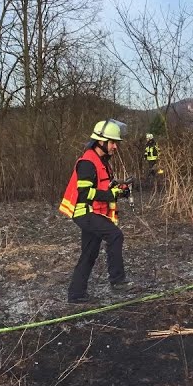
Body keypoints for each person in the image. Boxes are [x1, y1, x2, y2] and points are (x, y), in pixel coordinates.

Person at [60, 119, 132, 304]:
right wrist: (111, 194)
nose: (115, 146)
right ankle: (117, 281)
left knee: (89, 253)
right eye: (112, 142)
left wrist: (120, 190)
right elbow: (85, 193)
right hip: (85, 212)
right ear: (101, 141)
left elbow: (105, 186)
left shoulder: (103, 162)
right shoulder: (87, 162)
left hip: (93, 213)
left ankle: (76, 294)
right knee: (115, 235)